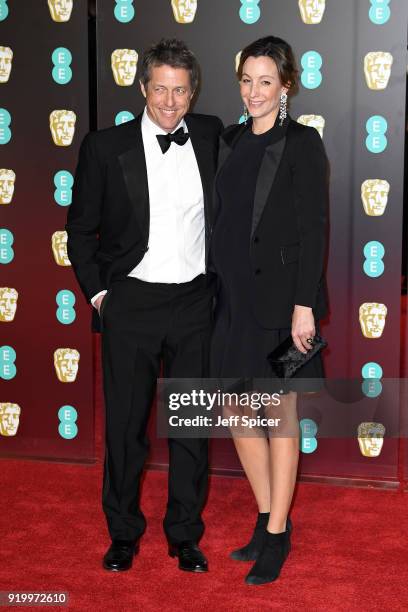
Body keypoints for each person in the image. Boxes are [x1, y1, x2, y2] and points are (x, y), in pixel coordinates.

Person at [66, 38, 223, 573]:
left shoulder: (209, 135)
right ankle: (124, 533)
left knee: (190, 428)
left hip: (194, 304)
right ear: (142, 88)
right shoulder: (104, 147)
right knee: (126, 429)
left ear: (193, 90)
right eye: (160, 89)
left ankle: (184, 534)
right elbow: (80, 232)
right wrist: (104, 296)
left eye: (180, 91)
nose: (170, 102)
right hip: (131, 302)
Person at [210, 35, 329, 585]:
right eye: (246, 80)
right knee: (237, 409)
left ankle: (278, 533)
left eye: (265, 82)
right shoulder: (228, 141)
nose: (254, 92)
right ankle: (266, 515)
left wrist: (304, 307)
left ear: (285, 86)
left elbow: (313, 229)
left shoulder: (302, 142)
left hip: (283, 308)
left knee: (279, 414)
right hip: (231, 301)